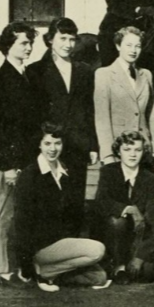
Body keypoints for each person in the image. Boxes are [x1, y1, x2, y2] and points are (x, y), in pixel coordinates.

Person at [14, 123, 108, 292]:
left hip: (61, 244)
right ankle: (41, 272)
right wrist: (26, 263)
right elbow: (22, 223)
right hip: (40, 246)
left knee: (99, 278)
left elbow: (72, 216)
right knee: (97, 250)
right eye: (47, 143)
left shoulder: (65, 172)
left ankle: (52, 272)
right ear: (39, 145)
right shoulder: (30, 175)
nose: (53, 149)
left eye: (58, 143)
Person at [0, 21, 42, 286]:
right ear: (8, 45)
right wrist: (9, 166)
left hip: (27, 158)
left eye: (30, 42)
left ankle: (21, 266)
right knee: (6, 215)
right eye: (23, 42)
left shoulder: (27, 76)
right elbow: (1, 129)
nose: (29, 47)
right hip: (6, 160)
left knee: (22, 215)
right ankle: (2, 268)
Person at [26, 17, 99, 202]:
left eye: (72, 39)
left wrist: (92, 145)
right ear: (50, 39)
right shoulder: (35, 71)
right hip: (49, 146)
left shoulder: (85, 71)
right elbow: (32, 113)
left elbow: (89, 109)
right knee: (48, 201)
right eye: (62, 38)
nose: (68, 44)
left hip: (77, 146)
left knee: (74, 202)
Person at [94, 131, 154, 284]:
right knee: (118, 221)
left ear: (143, 152)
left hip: (136, 237)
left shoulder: (151, 180)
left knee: (148, 274)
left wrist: (139, 258)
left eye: (137, 150)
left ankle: (130, 262)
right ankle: (117, 265)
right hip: (113, 235)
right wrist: (128, 209)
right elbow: (101, 201)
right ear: (119, 151)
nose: (132, 155)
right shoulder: (108, 172)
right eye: (127, 150)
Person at [94, 26, 154, 166]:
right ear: (118, 46)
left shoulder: (146, 75)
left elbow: (151, 115)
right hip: (118, 152)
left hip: (143, 151)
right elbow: (102, 118)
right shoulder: (104, 75)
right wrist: (108, 155)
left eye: (138, 46)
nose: (133, 50)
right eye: (128, 45)